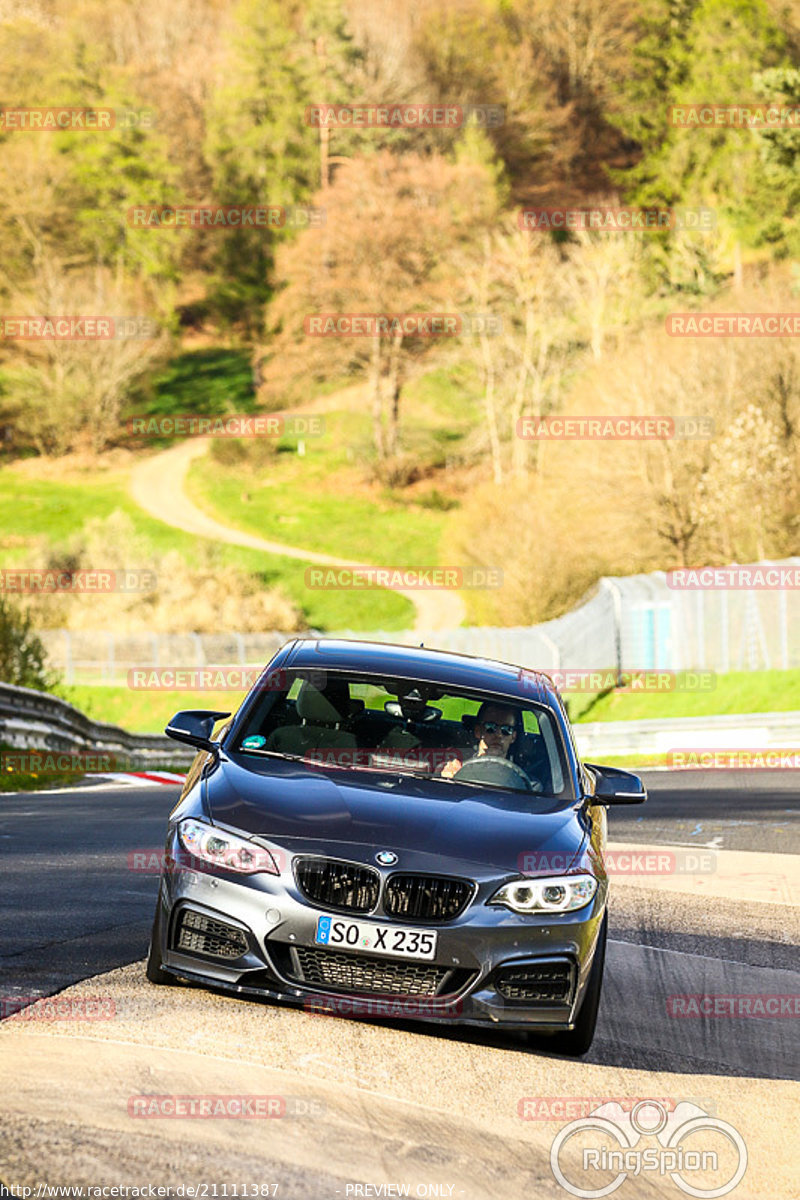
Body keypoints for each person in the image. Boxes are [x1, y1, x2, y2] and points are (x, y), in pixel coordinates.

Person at [439, 702, 518, 779]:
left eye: (507, 730)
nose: (499, 735)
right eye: (490, 727)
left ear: (513, 737)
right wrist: (447, 779)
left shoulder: (521, 778)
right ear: (478, 731)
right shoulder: (457, 767)